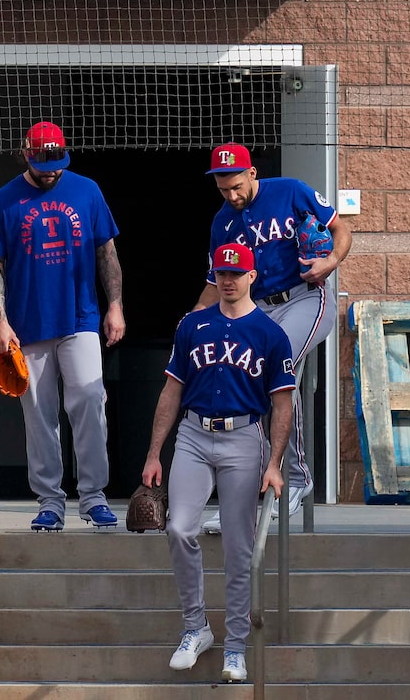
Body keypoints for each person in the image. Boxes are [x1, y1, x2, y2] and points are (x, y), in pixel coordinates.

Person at [142, 242, 294, 684]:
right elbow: (171, 391)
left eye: (235, 273)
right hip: (193, 434)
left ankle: (236, 647)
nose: (227, 280)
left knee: (238, 547)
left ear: (252, 277)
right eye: (220, 274)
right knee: (179, 528)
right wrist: (154, 452)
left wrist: (275, 463)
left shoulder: (269, 333)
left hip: (244, 437)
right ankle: (195, 628)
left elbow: (283, 405)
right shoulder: (193, 326)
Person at [193, 142, 351, 531]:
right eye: (222, 189)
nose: (231, 195)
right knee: (235, 375)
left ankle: (296, 478)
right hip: (260, 306)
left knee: (275, 370)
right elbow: (218, 281)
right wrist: (194, 321)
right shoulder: (222, 222)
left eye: (236, 186)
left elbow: (340, 229)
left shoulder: (291, 190)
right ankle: (242, 495)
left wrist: (329, 262)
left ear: (251, 173)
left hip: (305, 298)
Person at [0, 121, 126, 533]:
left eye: (56, 164)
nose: (50, 172)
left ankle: (94, 496)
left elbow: (107, 254)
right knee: (39, 414)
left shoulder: (87, 191)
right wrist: (0, 323)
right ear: (25, 153)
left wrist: (114, 307)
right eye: (42, 164)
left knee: (89, 399)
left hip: (79, 317)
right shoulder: (4, 200)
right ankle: (49, 501)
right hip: (28, 324)